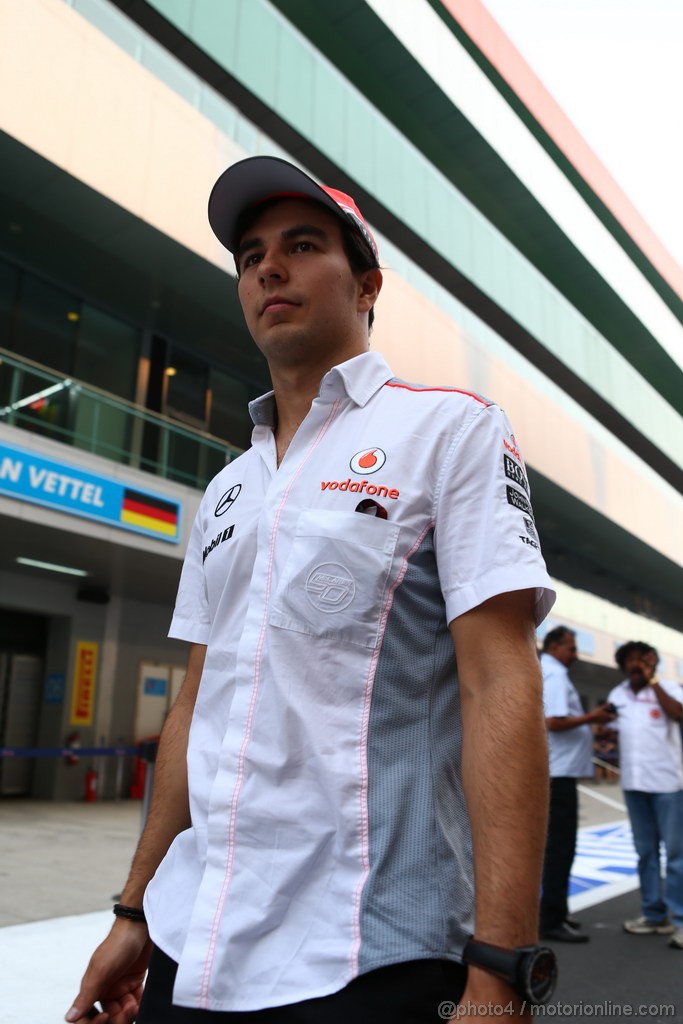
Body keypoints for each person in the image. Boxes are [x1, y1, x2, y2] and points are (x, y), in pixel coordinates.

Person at [66, 156, 557, 1024]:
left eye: (301, 245)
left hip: (371, 950)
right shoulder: (225, 489)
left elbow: (498, 684)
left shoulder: (449, 430)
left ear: (366, 285)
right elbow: (196, 706)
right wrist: (135, 910)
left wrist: (502, 964)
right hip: (196, 941)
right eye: (250, 255)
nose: (268, 268)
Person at [538, 627, 616, 943]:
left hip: (557, 771)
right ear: (555, 646)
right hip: (560, 774)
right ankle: (552, 919)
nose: (575, 654)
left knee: (557, 847)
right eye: (571, 647)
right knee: (560, 848)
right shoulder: (555, 675)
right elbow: (554, 721)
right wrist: (593, 718)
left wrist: (592, 730)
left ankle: (555, 912)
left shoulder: (551, 671)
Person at [608, 642, 683, 949]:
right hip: (634, 784)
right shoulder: (617, 695)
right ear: (623, 664)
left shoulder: (668, 688)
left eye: (643, 660)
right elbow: (611, 729)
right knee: (646, 853)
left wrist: (654, 682)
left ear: (653, 662)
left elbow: (679, 713)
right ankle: (654, 915)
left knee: (677, 856)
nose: (636, 665)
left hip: (667, 785)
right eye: (631, 661)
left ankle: (680, 919)